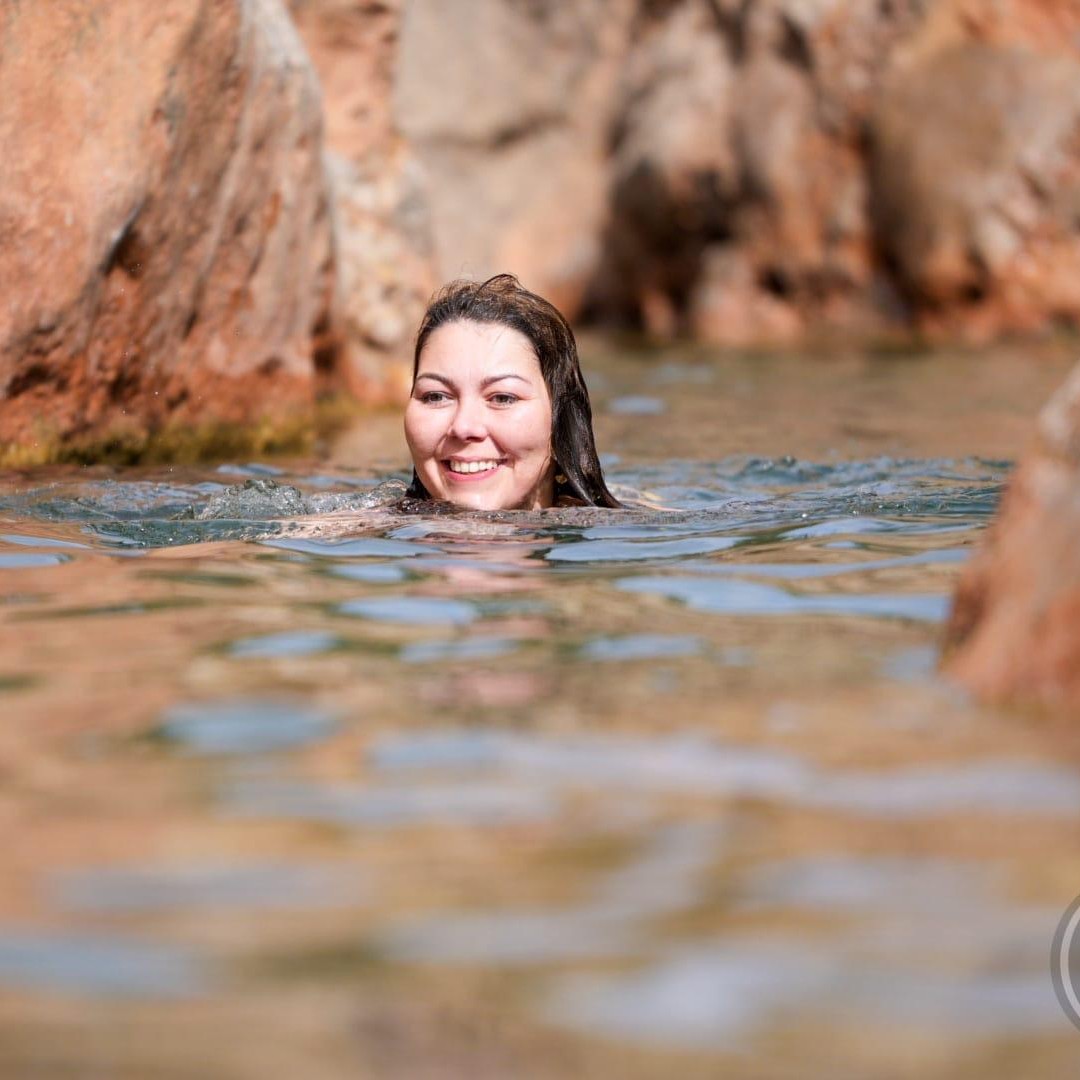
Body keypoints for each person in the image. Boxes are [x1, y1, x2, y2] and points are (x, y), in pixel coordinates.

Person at [404, 274, 621, 511]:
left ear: (559, 422)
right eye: (436, 396)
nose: (464, 427)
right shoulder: (368, 528)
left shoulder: (636, 534)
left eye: (503, 398)